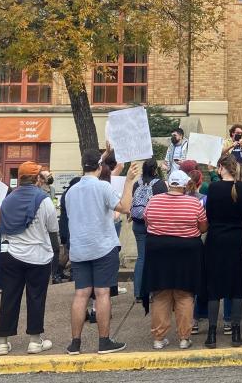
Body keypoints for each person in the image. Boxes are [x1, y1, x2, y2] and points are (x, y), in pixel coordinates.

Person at [64, 148, 140, 356]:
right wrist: (128, 182)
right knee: (102, 293)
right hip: (102, 246)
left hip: (80, 249)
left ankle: (75, 343)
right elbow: (125, 207)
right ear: (99, 168)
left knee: (81, 294)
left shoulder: (71, 191)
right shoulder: (103, 187)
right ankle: (104, 341)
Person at [0, 161, 59, 355]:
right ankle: (34, 340)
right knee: (36, 298)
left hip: (11, 254)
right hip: (38, 256)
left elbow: (1, 224)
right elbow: (53, 228)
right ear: (37, 179)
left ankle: (2, 342)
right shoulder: (44, 200)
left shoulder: (7, 199)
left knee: (9, 297)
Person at [141, 169, 208, 350]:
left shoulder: (154, 201)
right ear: (186, 185)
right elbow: (202, 227)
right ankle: (184, 338)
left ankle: (158, 338)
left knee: (161, 293)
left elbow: (147, 223)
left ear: (169, 183)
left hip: (158, 251)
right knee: (184, 294)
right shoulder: (194, 203)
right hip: (187, 252)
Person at [202, 156, 242, 348]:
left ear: (221, 168)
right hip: (236, 238)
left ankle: (212, 332)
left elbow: (210, 214)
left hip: (216, 238)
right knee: (236, 286)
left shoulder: (213, 188)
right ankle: (236, 332)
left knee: (214, 287)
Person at [130, 159, 165, 304]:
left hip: (138, 224)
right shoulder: (160, 184)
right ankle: (153, 290)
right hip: (154, 224)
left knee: (141, 258)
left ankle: (139, 292)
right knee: (155, 258)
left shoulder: (136, 184)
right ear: (155, 169)